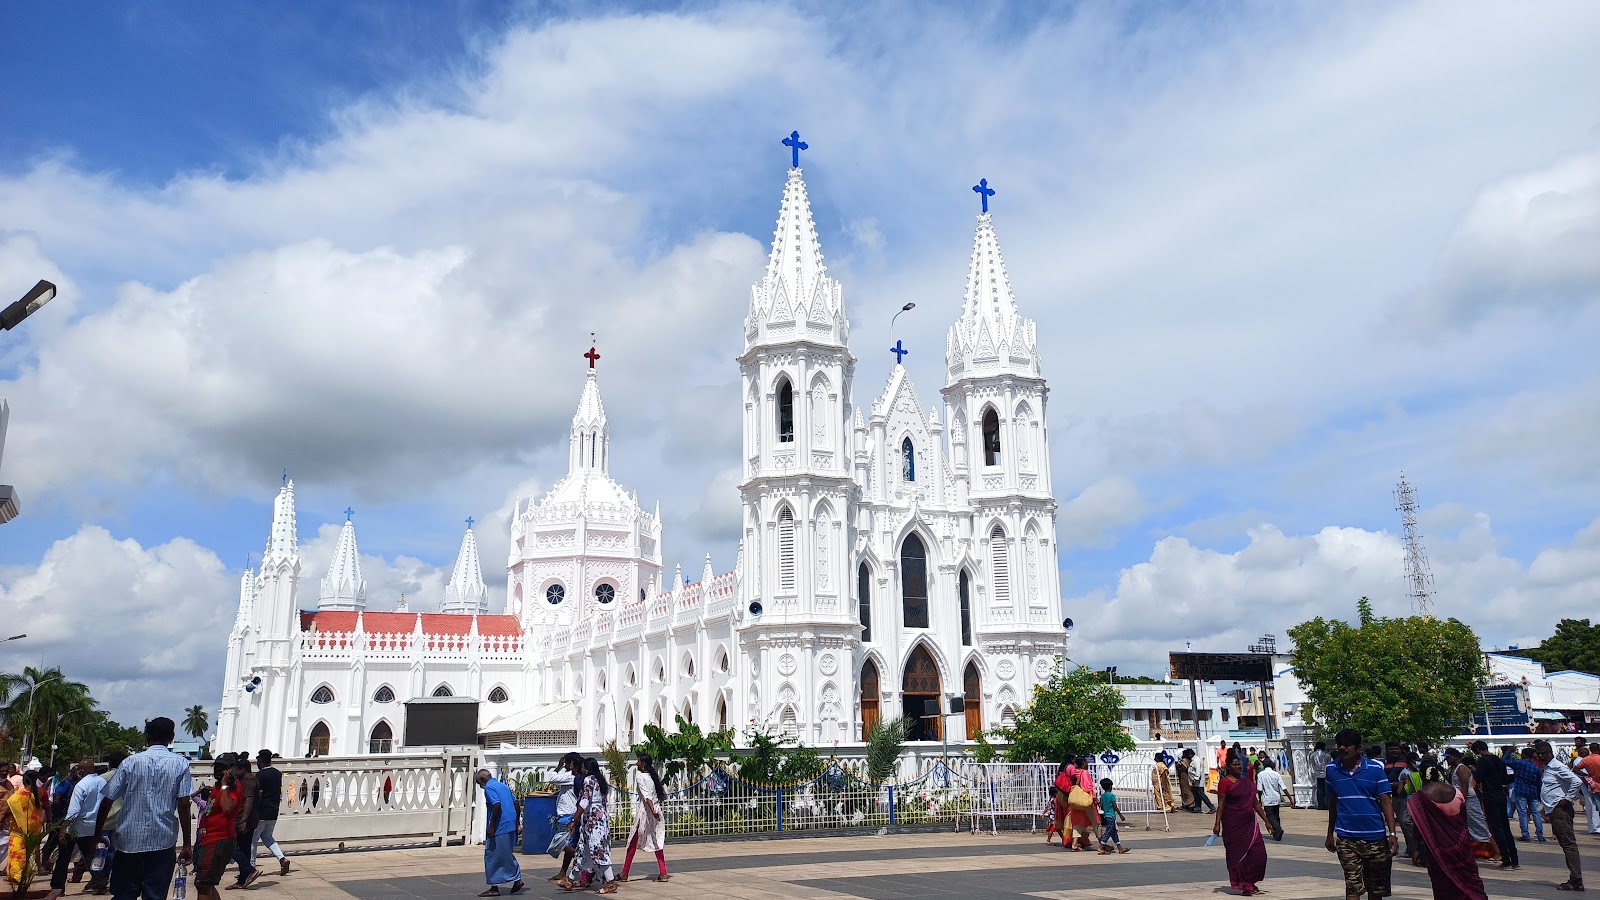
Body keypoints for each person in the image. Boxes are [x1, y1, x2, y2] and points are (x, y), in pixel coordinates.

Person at [93, 716, 195, 900]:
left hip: (128, 841)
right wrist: (187, 843)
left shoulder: (130, 762)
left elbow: (107, 800)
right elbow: (184, 805)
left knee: (124, 894)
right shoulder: (180, 764)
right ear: (171, 737)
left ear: (147, 737)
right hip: (162, 841)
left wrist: (98, 833)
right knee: (155, 895)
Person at [1326, 728, 1398, 900]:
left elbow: (1386, 802)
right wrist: (1330, 833)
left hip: (1375, 838)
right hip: (1346, 839)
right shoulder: (1331, 770)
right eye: (1340, 745)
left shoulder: (1375, 769)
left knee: (1375, 889)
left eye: (1347, 745)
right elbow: (1333, 803)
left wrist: (1392, 833)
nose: (1342, 749)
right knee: (1352, 887)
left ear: (1359, 749)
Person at [1407, 762, 1487, 900]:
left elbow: (1417, 828)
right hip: (1461, 847)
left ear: (1421, 775)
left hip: (1437, 850)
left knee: (1442, 884)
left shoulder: (1420, 798)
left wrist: (1414, 849)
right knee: (1469, 881)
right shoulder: (1456, 792)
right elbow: (1463, 822)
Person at [1214, 751, 1271, 896]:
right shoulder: (1224, 783)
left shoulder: (1247, 782)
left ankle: (1250, 880)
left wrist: (1266, 821)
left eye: (1240, 764)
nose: (1239, 767)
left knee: (1259, 855)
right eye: (1235, 765)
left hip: (1250, 824)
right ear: (1228, 767)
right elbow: (1221, 804)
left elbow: (1255, 804)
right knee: (1239, 856)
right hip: (1233, 824)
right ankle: (1247, 885)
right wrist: (1217, 823)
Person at [1535, 739, 1584, 892]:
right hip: (1554, 811)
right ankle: (1574, 878)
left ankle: (1576, 880)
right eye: (1539, 754)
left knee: (1569, 844)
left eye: (1544, 753)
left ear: (1550, 753)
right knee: (1565, 844)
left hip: (1561, 811)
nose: (1542, 756)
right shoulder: (1548, 768)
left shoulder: (1557, 766)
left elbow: (1576, 781)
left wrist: (1567, 798)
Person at [52, 758, 108, 894]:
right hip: (92, 824)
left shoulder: (81, 785)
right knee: (89, 855)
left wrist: (64, 828)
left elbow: (74, 809)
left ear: (81, 771)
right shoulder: (102, 782)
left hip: (76, 826)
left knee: (64, 857)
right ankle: (100, 881)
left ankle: (58, 887)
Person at [559, 758, 614, 894]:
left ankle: (611, 882)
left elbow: (584, 801)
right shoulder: (601, 781)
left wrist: (574, 819)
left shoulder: (588, 780)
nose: (581, 770)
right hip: (600, 820)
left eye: (583, 768)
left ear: (587, 769)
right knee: (583, 850)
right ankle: (570, 880)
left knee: (599, 851)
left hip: (593, 821)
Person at [193, 760, 240, 900]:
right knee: (208, 884)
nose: (218, 770)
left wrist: (225, 784)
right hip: (208, 839)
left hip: (217, 839)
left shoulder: (232, 787)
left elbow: (227, 808)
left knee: (203, 884)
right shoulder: (217, 787)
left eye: (223, 768)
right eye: (217, 767)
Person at [618, 753, 668, 882]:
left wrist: (652, 811)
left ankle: (625, 872)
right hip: (655, 810)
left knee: (633, 841)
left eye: (638, 762)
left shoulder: (640, 777)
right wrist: (655, 811)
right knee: (657, 840)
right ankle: (663, 872)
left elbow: (647, 797)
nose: (637, 764)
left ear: (643, 764)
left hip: (646, 812)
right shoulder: (653, 776)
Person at [473, 770, 524, 897]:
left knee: (492, 855)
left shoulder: (489, 787)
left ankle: (495, 886)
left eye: (479, 783)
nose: (481, 787)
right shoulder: (503, 786)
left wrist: (491, 826)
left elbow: (496, 805)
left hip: (500, 826)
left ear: (483, 780)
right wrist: (517, 822)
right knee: (505, 853)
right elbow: (516, 802)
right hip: (509, 823)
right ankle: (515, 880)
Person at [1466, 741, 1515, 870]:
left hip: (1490, 795)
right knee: (1505, 827)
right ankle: (1514, 859)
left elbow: (1479, 778)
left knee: (1496, 828)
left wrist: (1474, 770)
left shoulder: (1483, 761)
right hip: (1501, 794)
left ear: (1477, 750)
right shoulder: (1498, 760)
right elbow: (1505, 779)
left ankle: (1506, 859)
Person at [1446, 748, 1495, 861]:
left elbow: (1464, 787)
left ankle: (1496, 850)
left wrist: (1461, 802)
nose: (1447, 759)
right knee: (1469, 826)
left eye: (1449, 757)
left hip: (1468, 800)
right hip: (1463, 799)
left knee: (1479, 825)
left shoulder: (1462, 768)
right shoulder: (1454, 769)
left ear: (1455, 757)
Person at [249, 751, 288, 878]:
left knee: (253, 840)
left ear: (261, 761)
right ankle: (282, 859)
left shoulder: (260, 775)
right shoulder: (277, 773)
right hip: (273, 811)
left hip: (262, 812)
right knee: (268, 837)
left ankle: (251, 867)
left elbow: (258, 794)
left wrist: (253, 810)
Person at [6, 770, 45, 887]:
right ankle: (22, 874)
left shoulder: (19, 795)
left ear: (24, 781)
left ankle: (18, 876)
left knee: (17, 852)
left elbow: (12, 805)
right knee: (26, 852)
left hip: (18, 828)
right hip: (34, 827)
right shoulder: (39, 792)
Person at [225, 755, 259, 890]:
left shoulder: (250, 781)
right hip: (245, 819)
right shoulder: (245, 780)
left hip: (244, 820)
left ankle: (249, 870)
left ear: (243, 769)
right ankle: (242, 880)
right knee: (244, 850)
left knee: (230, 847)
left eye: (237, 770)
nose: (235, 773)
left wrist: (243, 820)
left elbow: (249, 800)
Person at [545, 753, 580, 881]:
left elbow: (552, 778)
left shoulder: (570, 776)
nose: (565, 765)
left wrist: (558, 766)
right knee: (567, 844)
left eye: (566, 763)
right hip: (568, 813)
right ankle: (563, 872)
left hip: (567, 814)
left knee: (565, 845)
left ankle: (584, 863)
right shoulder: (574, 777)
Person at [1505, 747, 1544, 843]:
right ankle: (1540, 835)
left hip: (1521, 791)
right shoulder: (1536, 768)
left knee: (1522, 812)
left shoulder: (1519, 763)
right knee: (1535, 813)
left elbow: (1505, 761)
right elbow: (1539, 783)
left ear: (1524, 755)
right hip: (1533, 792)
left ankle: (1525, 834)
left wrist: (1509, 751)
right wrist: (1539, 795)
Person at [1063, 757, 1099, 851]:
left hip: (1076, 801)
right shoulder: (1085, 772)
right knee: (1095, 822)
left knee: (1077, 823)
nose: (1087, 764)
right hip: (1085, 800)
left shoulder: (1073, 772)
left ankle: (1074, 845)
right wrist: (1094, 797)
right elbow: (1088, 787)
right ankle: (1102, 843)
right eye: (1086, 762)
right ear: (1083, 763)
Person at [1256, 757, 1287, 841]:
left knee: (1270, 816)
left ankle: (1278, 829)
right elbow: (1283, 787)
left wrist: (1260, 799)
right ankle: (1277, 834)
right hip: (1276, 798)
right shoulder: (1276, 774)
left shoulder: (1260, 775)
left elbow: (1259, 789)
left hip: (1267, 799)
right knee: (1276, 816)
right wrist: (1290, 798)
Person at [1573, 743, 1600, 836]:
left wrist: (1587, 776)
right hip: (1594, 784)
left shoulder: (1586, 760)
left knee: (1593, 805)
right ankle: (1596, 827)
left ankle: (1594, 827)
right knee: (1593, 805)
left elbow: (1575, 769)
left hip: (1592, 785)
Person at [1096, 778, 1128, 855]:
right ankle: (1101, 847)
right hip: (1111, 816)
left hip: (1106, 816)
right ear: (1110, 786)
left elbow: (1102, 807)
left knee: (1114, 833)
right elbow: (1115, 806)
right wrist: (1120, 815)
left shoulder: (1103, 796)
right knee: (1108, 832)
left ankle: (1120, 848)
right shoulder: (1112, 796)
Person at [1188, 749, 1216, 813]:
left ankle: (1211, 807)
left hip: (1198, 780)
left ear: (1190, 754)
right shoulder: (1194, 760)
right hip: (1195, 780)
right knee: (1196, 794)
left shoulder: (1196, 760)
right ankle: (1198, 807)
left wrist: (1196, 778)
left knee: (1201, 794)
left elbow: (1198, 770)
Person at [1311, 742, 1331, 810]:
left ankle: (1320, 805)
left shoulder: (1313, 755)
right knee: (1326, 789)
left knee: (1319, 790)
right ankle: (1327, 804)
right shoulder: (1326, 755)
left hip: (1317, 774)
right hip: (1326, 773)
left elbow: (1312, 765)